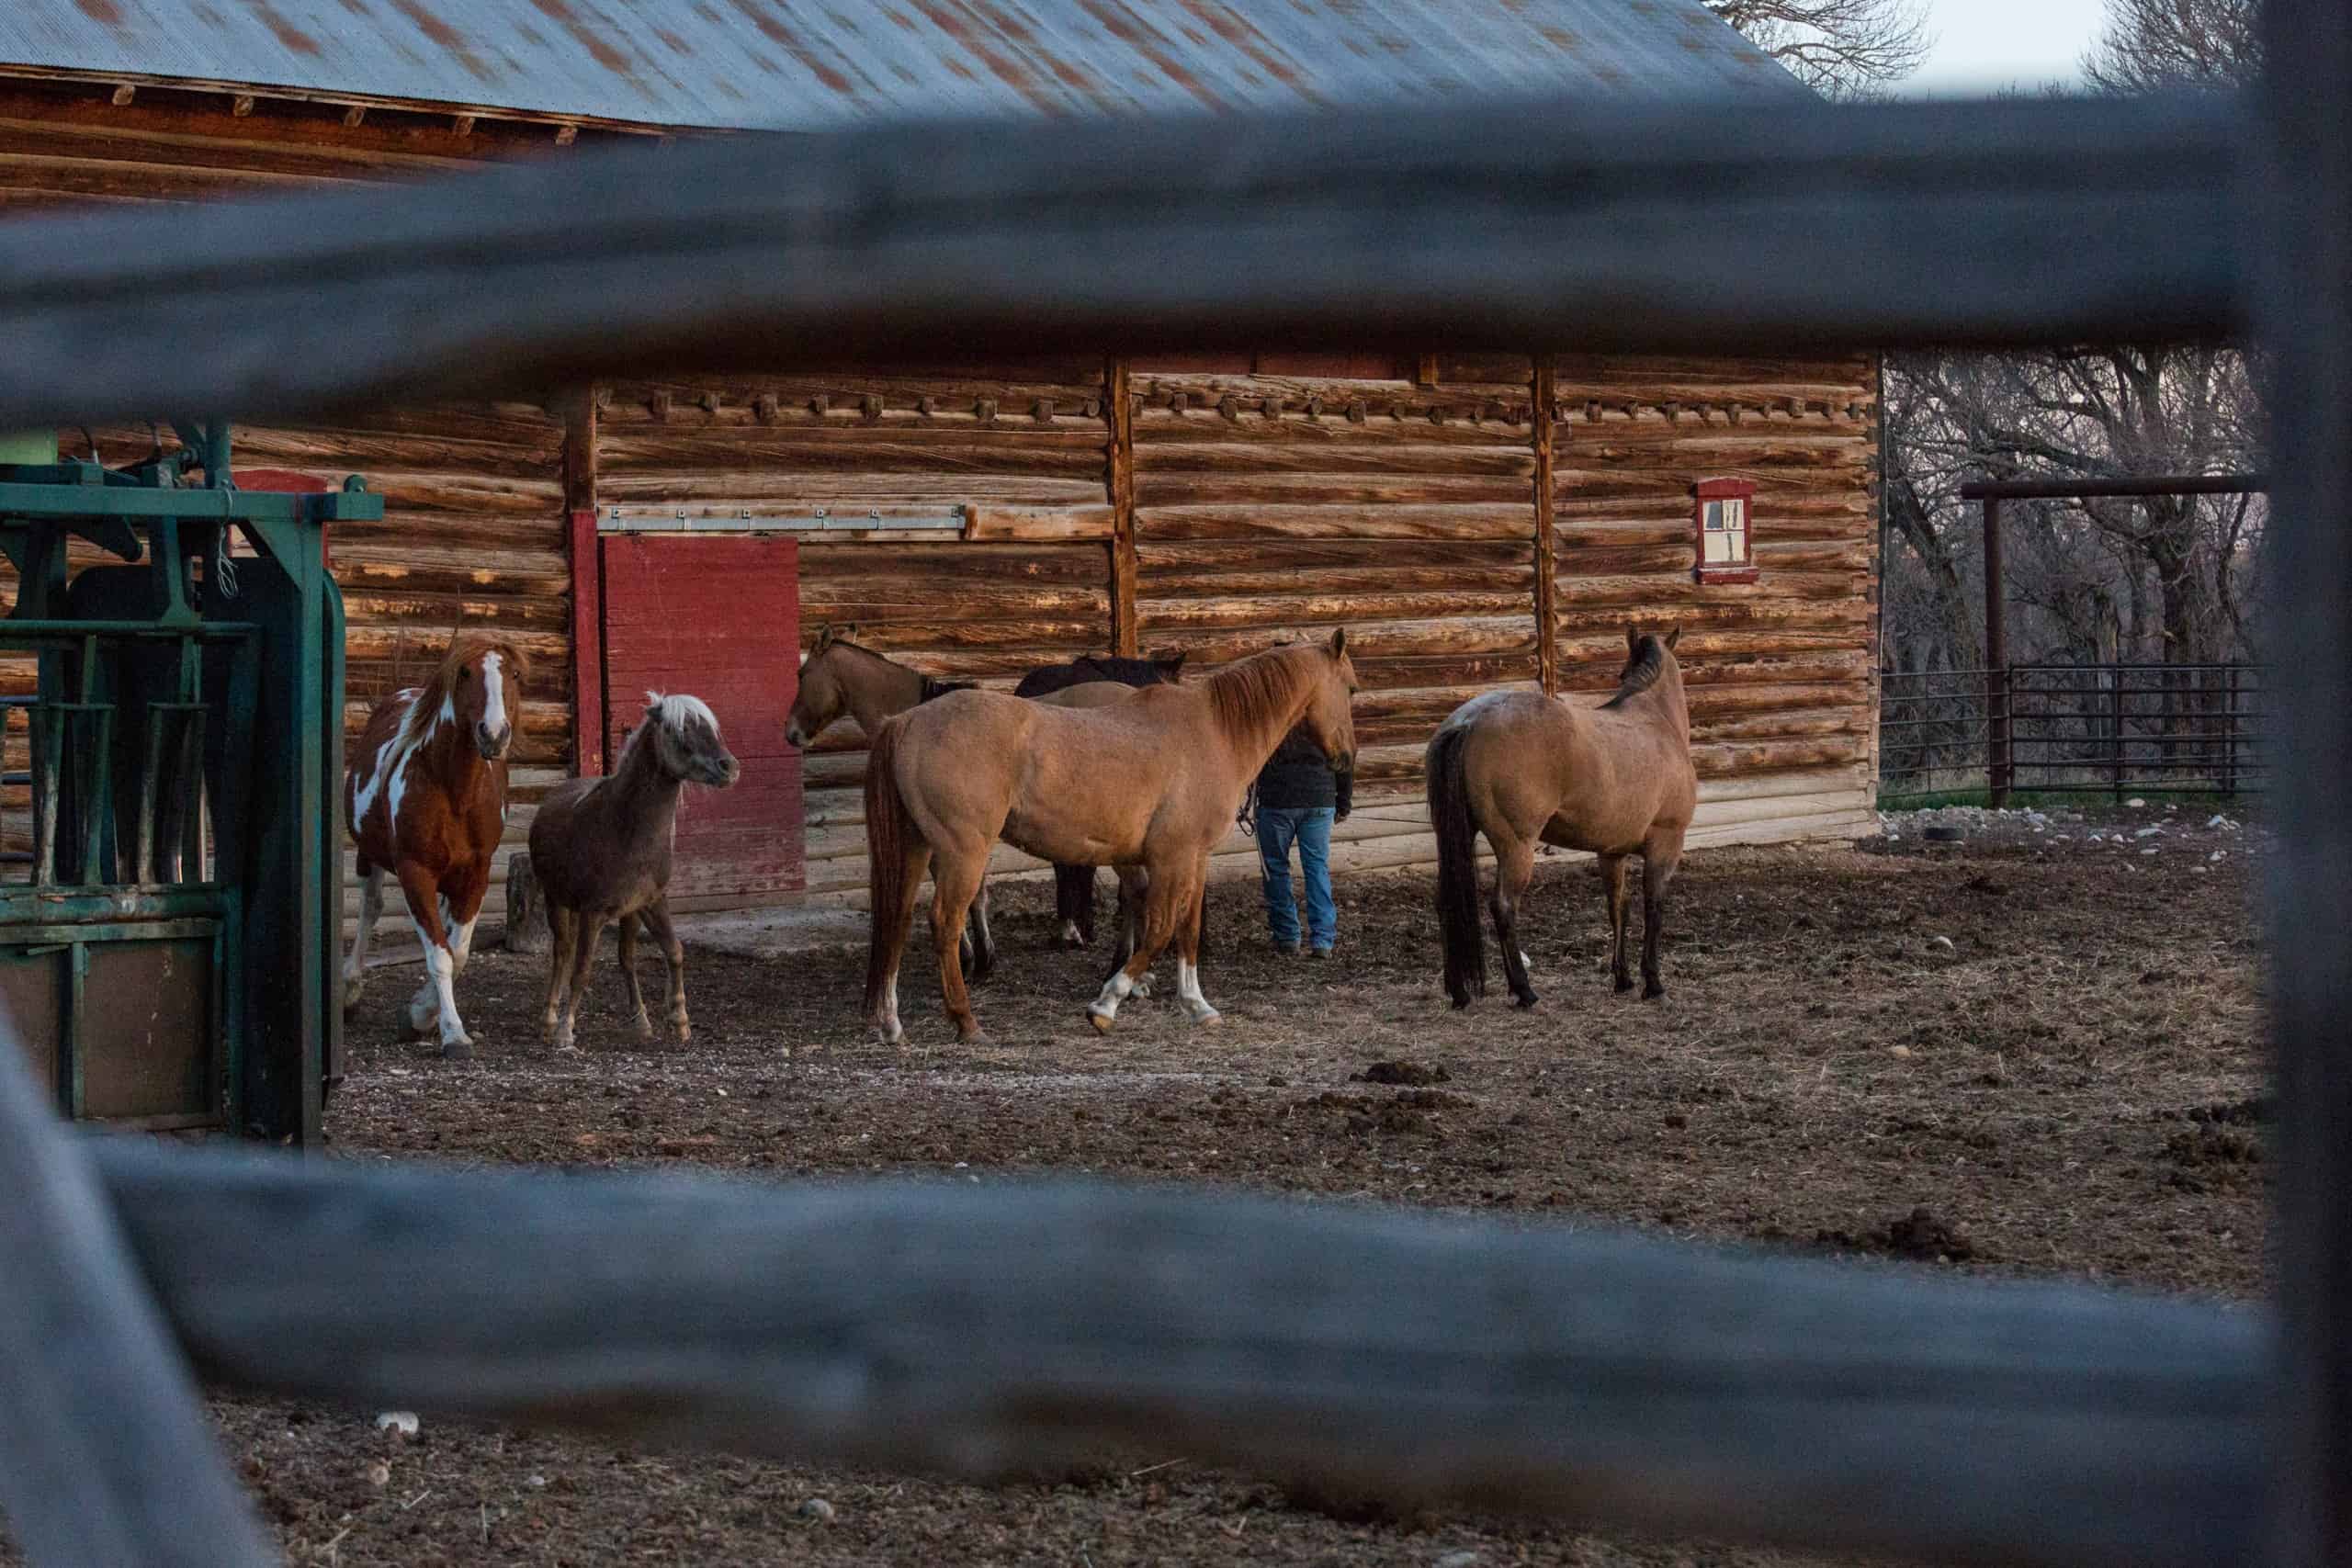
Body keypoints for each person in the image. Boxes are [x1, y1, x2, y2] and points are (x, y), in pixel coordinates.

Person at [1253, 721, 1350, 957]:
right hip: (1319, 797)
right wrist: (1343, 800)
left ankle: (1287, 937)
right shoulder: (1325, 710)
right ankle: (1323, 940)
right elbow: (1346, 753)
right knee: (1317, 868)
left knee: (1275, 868)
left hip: (1277, 799)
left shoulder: (1275, 708)